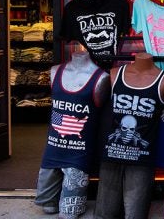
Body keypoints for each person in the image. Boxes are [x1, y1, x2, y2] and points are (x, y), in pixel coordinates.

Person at [35, 44, 110, 217]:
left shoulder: (101, 78)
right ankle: (52, 197)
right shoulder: (55, 71)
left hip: (79, 152)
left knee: (69, 213)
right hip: (53, 147)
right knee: (47, 206)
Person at [95, 52, 164, 219]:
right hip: (112, 156)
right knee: (103, 214)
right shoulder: (115, 74)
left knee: (136, 214)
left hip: (142, 160)